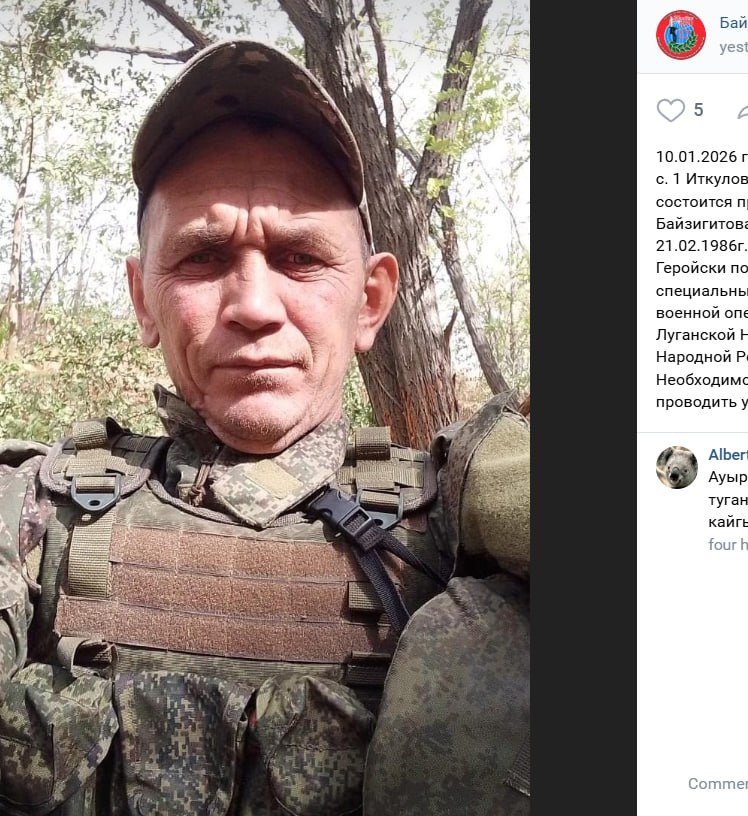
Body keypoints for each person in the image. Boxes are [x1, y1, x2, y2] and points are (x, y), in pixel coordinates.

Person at [0, 39, 529, 816]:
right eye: (203, 257)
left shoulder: (456, 509)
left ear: (370, 301)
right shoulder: (37, 510)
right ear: (143, 300)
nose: (252, 305)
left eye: (300, 257)